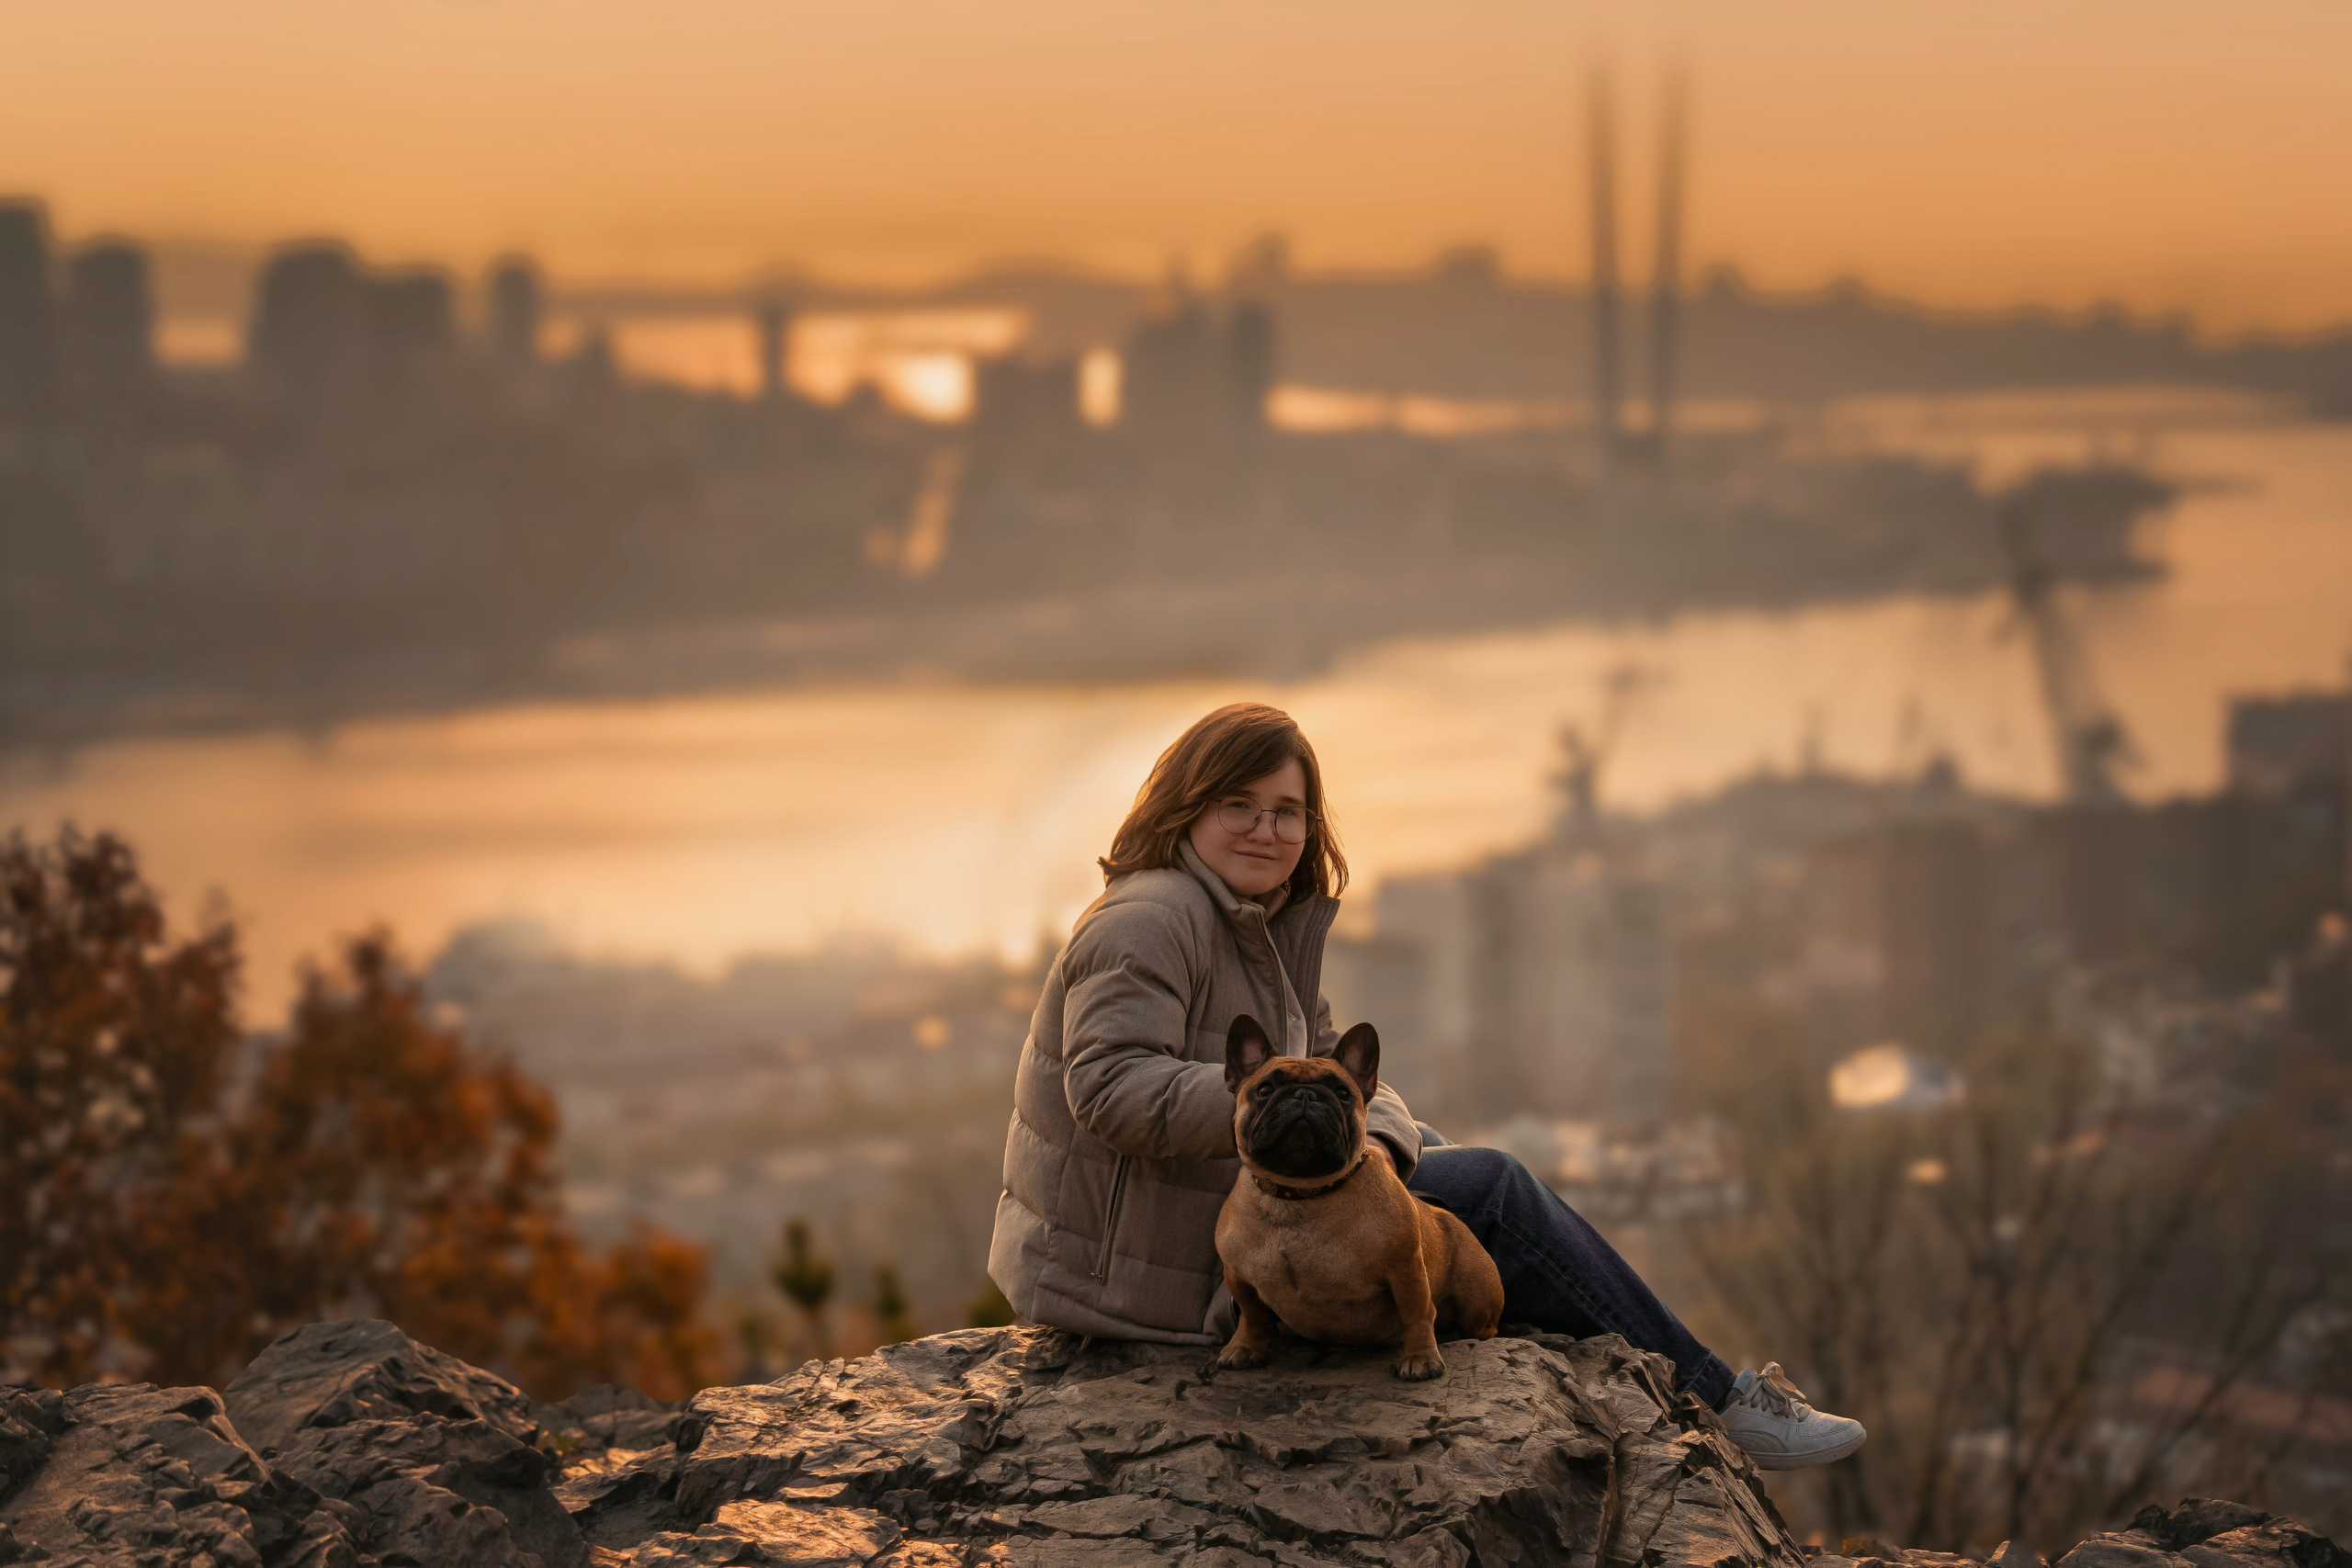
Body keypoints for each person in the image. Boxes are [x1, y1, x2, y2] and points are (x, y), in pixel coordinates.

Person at [987, 702, 1864, 1469]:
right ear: (1186, 808)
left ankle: (1626, 1368)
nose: (1266, 829)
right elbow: (1108, 1089)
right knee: (1493, 1188)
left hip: (1205, 1209)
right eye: (1238, 806)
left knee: (1434, 1150)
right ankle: (1722, 1403)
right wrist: (1275, 1104)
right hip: (1143, 1268)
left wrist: (1374, 1136)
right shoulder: (1153, 917)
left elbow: (1345, 1074)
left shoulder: (1255, 923)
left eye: (1287, 810)